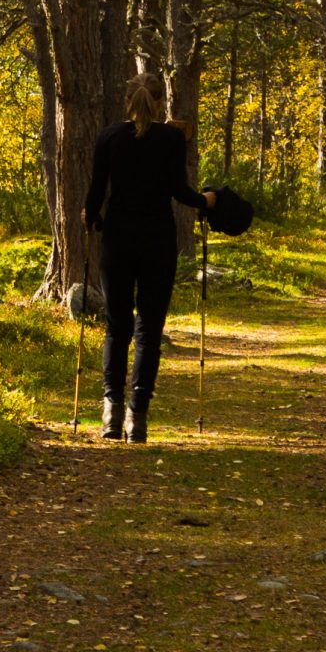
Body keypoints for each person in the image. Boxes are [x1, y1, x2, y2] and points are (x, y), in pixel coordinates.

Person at [81, 75, 217, 442]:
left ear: (127, 100)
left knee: (116, 326)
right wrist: (206, 201)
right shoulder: (171, 139)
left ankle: (110, 411)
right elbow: (178, 190)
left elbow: (96, 192)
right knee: (149, 331)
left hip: (118, 238)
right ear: (160, 103)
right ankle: (136, 417)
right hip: (157, 240)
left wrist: (91, 217)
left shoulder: (109, 136)